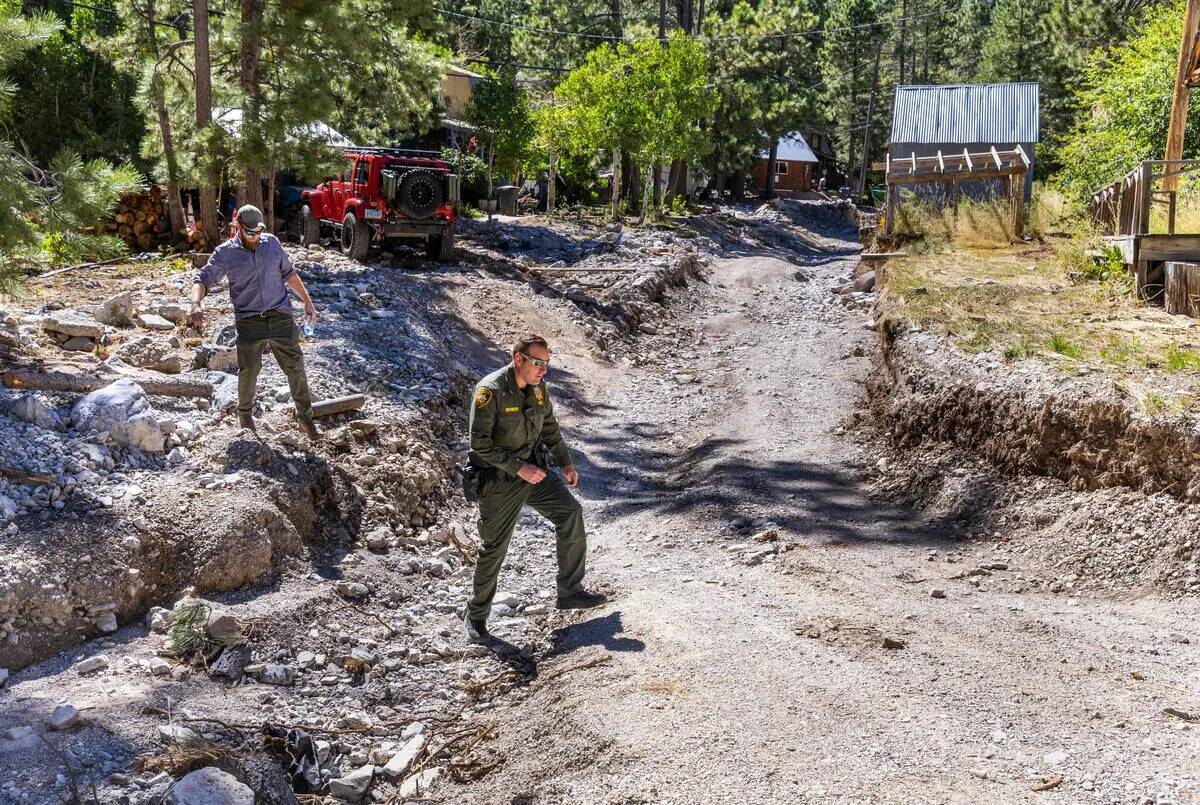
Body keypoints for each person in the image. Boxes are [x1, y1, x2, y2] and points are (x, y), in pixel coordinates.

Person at [464, 335, 606, 643]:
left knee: (571, 513)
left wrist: (566, 463)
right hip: (500, 479)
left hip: (535, 472)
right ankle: (476, 616)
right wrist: (519, 469)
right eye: (538, 363)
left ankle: (570, 591)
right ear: (519, 359)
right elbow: (480, 445)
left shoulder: (539, 388)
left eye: (547, 364)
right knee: (494, 548)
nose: (544, 370)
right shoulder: (490, 391)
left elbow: (550, 426)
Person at [189, 204, 320, 439]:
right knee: (249, 370)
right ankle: (246, 416)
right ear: (238, 227)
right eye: (251, 233)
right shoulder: (225, 253)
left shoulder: (272, 244)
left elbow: (289, 273)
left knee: (296, 367)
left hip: (280, 316)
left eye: (259, 232)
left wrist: (308, 303)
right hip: (249, 320)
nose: (256, 237)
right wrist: (196, 304)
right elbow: (203, 279)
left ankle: (306, 418)